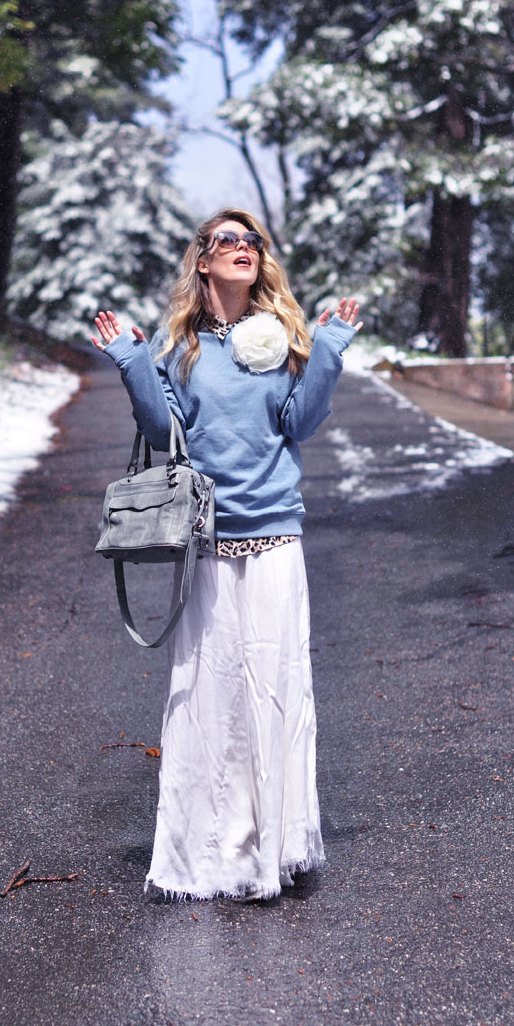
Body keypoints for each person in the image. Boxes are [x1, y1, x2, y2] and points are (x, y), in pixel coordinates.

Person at [92, 207, 362, 901]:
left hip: (276, 534)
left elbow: (299, 422)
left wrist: (328, 348)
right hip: (208, 537)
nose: (243, 248)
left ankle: (274, 849)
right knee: (209, 693)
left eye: (253, 242)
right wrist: (130, 356)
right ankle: (211, 851)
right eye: (228, 241)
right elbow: (162, 427)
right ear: (204, 261)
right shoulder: (180, 349)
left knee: (274, 688)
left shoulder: (280, 341)